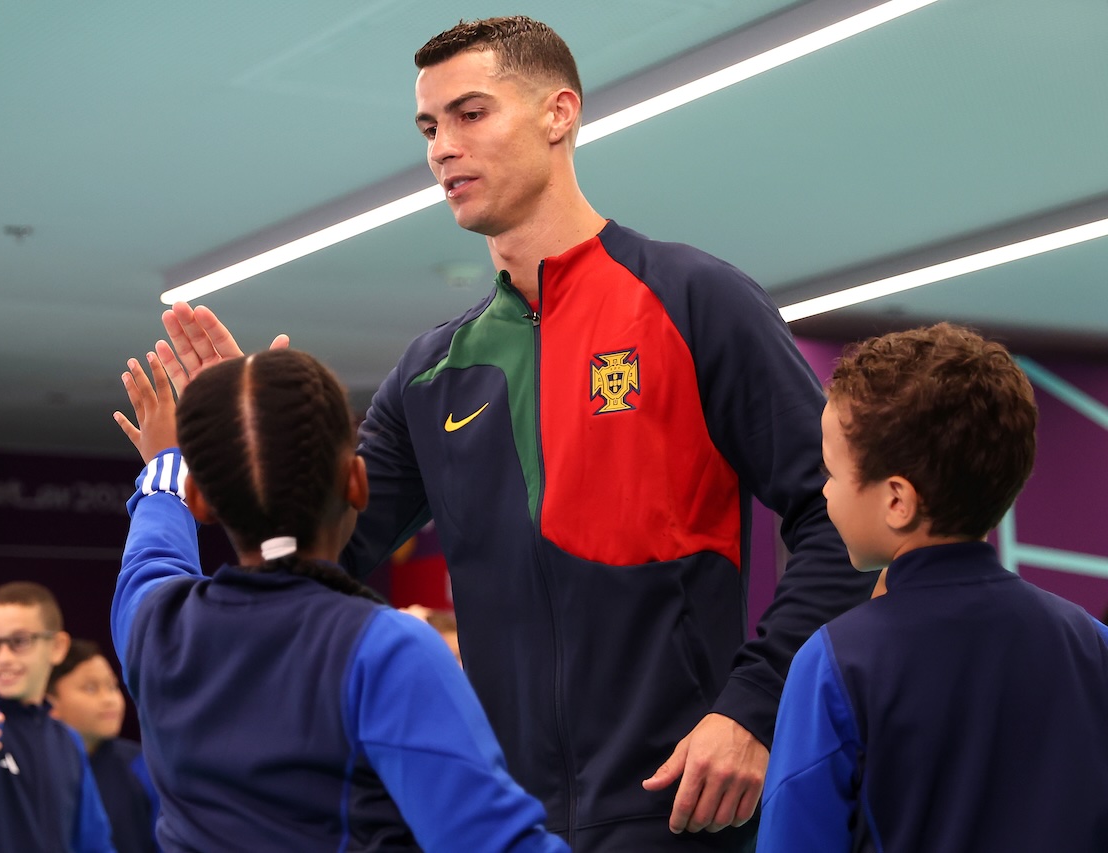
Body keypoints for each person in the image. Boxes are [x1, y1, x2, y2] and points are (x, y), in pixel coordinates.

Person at [152, 16, 873, 849]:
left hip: (676, 810)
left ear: (558, 113)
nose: (441, 150)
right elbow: (315, 553)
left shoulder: (694, 301)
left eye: (469, 114)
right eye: (428, 127)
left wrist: (753, 707)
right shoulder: (432, 372)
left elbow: (835, 520)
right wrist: (259, 441)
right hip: (499, 825)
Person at [111, 348, 567, 851]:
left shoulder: (155, 626)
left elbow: (153, 550)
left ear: (201, 500)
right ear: (357, 481)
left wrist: (170, 465)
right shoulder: (387, 648)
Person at [757, 324, 1108, 852]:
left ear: (897, 500)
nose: (824, 491)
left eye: (831, 473)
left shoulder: (835, 663)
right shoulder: (1093, 645)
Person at [0, 582, 114, 853]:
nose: (3, 658)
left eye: (19, 641)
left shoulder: (68, 741)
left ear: (57, 646)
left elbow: (93, 840)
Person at [48, 639, 161, 853]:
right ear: (49, 702)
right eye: (91, 688)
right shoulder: (29, 766)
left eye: (112, 686)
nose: (109, 699)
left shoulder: (144, 765)